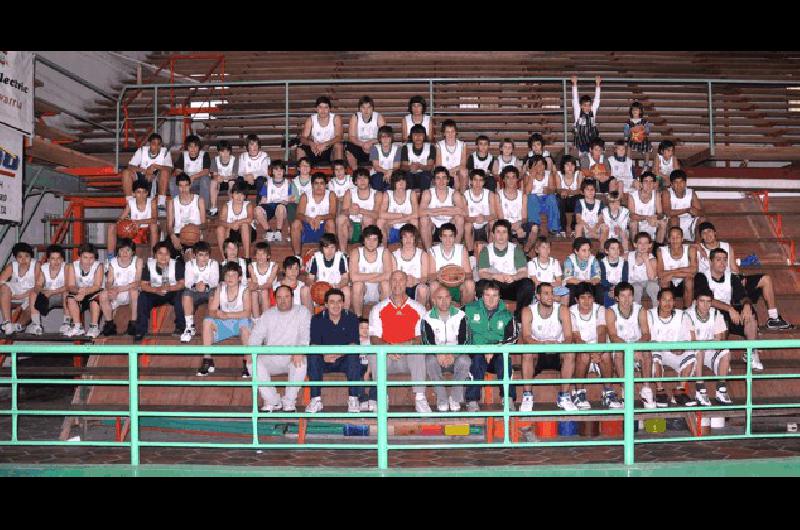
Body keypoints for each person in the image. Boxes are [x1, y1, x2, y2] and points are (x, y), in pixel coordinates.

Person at [694, 248, 793, 370]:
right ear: (710, 262)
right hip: (708, 316)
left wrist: (746, 305)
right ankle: (721, 358)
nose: (722, 263)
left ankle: (752, 353)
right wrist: (730, 309)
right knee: (721, 322)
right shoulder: (701, 276)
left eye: (725, 260)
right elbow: (708, 300)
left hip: (729, 314)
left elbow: (744, 296)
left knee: (750, 314)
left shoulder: (732, 277)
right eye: (718, 260)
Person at [367, 270, 431, 413]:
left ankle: (420, 398)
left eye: (401, 280)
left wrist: (402, 347)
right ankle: (382, 397)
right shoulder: (378, 309)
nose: (397, 283)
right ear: (389, 283)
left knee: (418, 351)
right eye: (394, 280)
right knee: (373, 354)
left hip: (408, 359)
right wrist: (388, 349)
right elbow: (374, 338)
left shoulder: (418, 308)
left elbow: (420, 338)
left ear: (407, 282)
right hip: (387, 358)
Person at [248, 284, 311, 412]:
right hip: (272, 357)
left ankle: (289, 401)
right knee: (251, 362)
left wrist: (300, 351)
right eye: (279, 297)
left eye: (286, 297)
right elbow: (256, 335)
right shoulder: (268, 314)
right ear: (275, 299)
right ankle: (273, 401)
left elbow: (306, 335)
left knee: (302, 362)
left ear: (292, 297)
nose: (283, 300)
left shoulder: (303, 312)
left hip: (293, 357)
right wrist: (251, 351)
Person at [519, 282, 575, 411]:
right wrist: (543, 344)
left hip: (557, 350)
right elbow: (527, 337)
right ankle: (527, 396)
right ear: (538, 296)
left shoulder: (562, 309)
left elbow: (568, 337)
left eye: (552, 293)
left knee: (570, 353)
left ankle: (565, 396)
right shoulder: (528, 310)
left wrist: (559, 346)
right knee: (527, 353)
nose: (550, 297)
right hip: (538, 352)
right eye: (546, 293)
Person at [464, 280, 518, 412]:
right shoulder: (469, 310)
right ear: (482, 296)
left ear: (499, 297)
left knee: (504, 360)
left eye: (494, 295)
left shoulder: (507, 315)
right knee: (477, 359)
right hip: (476, 352)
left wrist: (493, 349)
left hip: (497, 354)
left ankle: (508, 398)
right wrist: (483, 349)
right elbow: (463, 334)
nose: (491, 299)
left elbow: (513, 338)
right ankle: (472, 400)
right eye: (487, 295)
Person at [307, 288, 363, 413]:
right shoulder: (317, 319)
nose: (336, 305)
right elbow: (314, 344)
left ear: (343, 303)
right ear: (326, 304)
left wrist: (338, 354)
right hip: (323, 359)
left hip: (344, 359)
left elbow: (354, 344)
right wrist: (324, 354)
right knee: (313, 356)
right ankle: (316, 400)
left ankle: (354, 399)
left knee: (353, 356)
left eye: (339, 302)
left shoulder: (352, 318)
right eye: (332, 302)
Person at [570, 282, 620, 410]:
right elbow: (576, 337)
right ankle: (579, 393)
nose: (587, 301)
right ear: (576, 299)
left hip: (598, 347)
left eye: (590, 297)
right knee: (584, 355)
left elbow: (602, 332)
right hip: (581, 349)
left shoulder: (600, 309)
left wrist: (598, 351)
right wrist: (591, 353)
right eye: (583, 298)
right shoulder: (571, 311)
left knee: (606, 354)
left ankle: (608, 393)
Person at [198, 262, 252, 377]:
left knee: (245, 327)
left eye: (233, 275)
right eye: (227, 275)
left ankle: (248, 363)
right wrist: (218, 314)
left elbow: (247, 312)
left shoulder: (245, 290)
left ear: (240, 278)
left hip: (240, 322)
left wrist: (227, 315)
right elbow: (212, 311)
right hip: (225, 323)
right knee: (207, 321)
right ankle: (207, 360)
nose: (230, 278)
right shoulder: (221, 288)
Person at [422, 286, 472, 412]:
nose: (444, 301)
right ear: (433, 300)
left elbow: (465, 340)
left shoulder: (461, 315)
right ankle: (442, 399)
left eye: (446, 297)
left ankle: (455, 398)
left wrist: (453, 355)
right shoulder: (426, 318)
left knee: (465, 360)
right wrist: (438, 353)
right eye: (439, 298)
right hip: (437, 357)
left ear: (451, 299)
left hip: (455, 357)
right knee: (429, 360)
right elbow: (427, 341)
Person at [606, 281, 655, 408]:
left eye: (629, 295)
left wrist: (635, 348)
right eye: (623, 296)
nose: (626, 299)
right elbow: (613, 336)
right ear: (616, 298)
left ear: (633, 296)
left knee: (646, 353)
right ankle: (625, 391)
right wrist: (629, 349)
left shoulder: (640, 310)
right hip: (620, 348)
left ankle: (646, 390)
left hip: (636, 347)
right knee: (619, 354)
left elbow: (646, 334)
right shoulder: (611, 311)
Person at [476, 219, 535, 319]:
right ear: (493, 234)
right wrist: (495, 276)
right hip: (495, 285)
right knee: (480, 285)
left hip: (513, 285)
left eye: (504, 232)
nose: (501, 235)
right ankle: (488, 317)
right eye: (498, 232)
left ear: (508, 235)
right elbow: (482, 273)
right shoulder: (486, 250)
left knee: (528, 284)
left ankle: (519, 317)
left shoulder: (516, 249)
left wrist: (514, 277)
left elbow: (523, 272)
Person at [648, 288, 695, 407]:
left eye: (670, 300)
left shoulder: (682, 315)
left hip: (675, 352)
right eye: (664, 300)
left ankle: (679, 392)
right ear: (658, 301)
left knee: (691, 355)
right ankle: (659, 391)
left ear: (674, 302)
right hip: (658, 351)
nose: (667, 303)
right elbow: (647, 337)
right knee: (654, 352)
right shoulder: (649, 314)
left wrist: (682, 347)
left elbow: (690, 338)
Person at [686, 289, 731, 406]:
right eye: (702, 301)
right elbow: (692, 341)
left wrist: (713, 342)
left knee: (726, 352)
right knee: (699, 348)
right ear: (696, 302)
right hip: (691, 352)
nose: (705, 305)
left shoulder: (716, 314)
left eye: (708, 301)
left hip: (710, 350)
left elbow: (719, 341)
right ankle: (700, 389)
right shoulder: (688, 315)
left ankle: (721, 389)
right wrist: (711, 342)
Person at [134, 241, 186, 342]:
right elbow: (143, 285)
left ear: (170, 254)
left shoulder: (176, 264)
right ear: (155, 255)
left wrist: (169, 288)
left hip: (172, 291)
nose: (163, 256)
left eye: (166, 253)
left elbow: (182, 284)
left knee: (181, 295)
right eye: (160, 253)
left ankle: (181, 326)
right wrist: (156, 290)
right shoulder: (149, 265)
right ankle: (140, 330)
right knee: (143, 297)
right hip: (155, 292)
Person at [97, 238, 142, 337]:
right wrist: (111, 289)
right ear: (118, 251)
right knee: (103, 295)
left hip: (131, 292)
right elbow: (109, 281)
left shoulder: (138, 261)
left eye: (128, 250)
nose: (124, 253)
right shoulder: (113, 262)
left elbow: (137, 282)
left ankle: (133, 323)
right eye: (121, 250)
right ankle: (109, 324)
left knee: (134, 291)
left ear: (133, 252)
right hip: (117, 292)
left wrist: (120, 289)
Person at [122, 133, 172, 216]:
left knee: (165, 172)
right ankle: (129, 204)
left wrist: (154, 166)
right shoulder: (142, 150)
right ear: (149, 144)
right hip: (141, 175)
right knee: (126, 172)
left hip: (155, 178)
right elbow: (130, 166)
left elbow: (170, 168)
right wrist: (145, 171)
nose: (156, 146)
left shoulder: (165, 152)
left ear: (161, 145)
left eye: (159, 144)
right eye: (153, 144)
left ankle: (161, 205)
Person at [106, 180, 158, 260]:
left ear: (147, 193)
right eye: (138, 192)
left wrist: (139, 222)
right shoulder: (130, 202)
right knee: (111, 226)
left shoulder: (152, 202)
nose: (141, 195)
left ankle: (154, 258)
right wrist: (122, 223)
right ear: (134, 194)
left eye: (144, 192)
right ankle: (110, 258)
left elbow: (154, 219)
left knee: (154, 226)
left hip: (147, 231)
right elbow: (121, 218)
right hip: (133, 231)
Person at [427, 222, 476, 305]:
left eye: (451, 236)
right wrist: (442, 274)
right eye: (445, 236)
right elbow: (431, 276)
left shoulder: (461, 249)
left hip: (459, 285)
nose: (448, 240)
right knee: (433, 285)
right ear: (440, 237)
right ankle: (436, 314)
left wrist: (456, 274)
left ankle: (466, 314)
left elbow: (469, 274)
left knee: (470, 284)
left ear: (455, 236)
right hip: (441, 285)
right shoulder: (433, 251)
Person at [180, 241, 219, 343]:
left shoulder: (213, 263)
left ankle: (212, 327)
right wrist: (196, 286)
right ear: (195, 255)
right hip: (195, 290)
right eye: (201, 255)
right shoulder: (189, 264)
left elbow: (214, 282)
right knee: (186, 294)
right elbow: (188, 283)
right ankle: (189, 327)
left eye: (206, 255)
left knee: (214, 294)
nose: (204, 258)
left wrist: (205, 286)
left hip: (209, 290)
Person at [26, 244, 70, 335]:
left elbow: (68, 286)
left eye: (58, 258)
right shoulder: (44, 268)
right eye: (53, 258)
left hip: (62, 295)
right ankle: (36, 325)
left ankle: (66, 323)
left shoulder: (67, 267)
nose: (56, 261)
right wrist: (42, 291)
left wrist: (51, 292)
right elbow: (37, 285)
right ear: (48, 260)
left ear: (62, 259)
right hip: (48, 296)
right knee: (33, 293)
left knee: (67, 293)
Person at [349, 225, 392, 318]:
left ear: (379, 241)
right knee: (357, 285)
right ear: (363, 239)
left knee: (386, 284)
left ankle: (385, 317)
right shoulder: (356, 252)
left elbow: (388, 275)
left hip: (379, 290)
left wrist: (364, 277)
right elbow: (353, 277)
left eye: (374, 239)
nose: (371, 243)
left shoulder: (384, 252)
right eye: (368, 239)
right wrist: (375, 275)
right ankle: (358, 318)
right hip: (362, 291)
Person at [290, 172, 337, 257]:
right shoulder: (305, 196)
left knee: (330, 222)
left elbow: (333, 214)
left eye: (322, 183)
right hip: (307, 227)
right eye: (316, 183)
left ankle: (331, 256)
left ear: (325, 185)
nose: (319, 186)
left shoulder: (331, 195)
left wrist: (320, 217)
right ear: (312, 185)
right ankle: (297, 257)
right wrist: (308, 219)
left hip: (323, 228)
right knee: (296, 223)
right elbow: (298, 214)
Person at [419, 166, 466, 249]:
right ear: (434, 181)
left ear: (448, 180)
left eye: (444, 178)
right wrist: (446, 209)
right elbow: (420, 212)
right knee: (423, 219)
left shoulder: (454, 193)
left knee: (460, 219)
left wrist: (439, 211)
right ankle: (429, 253)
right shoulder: (428, 193)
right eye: (438, 178)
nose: (441, 181)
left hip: (450, 226)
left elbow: (462, 212)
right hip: (432, 226)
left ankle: (456, 250)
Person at [63, 243, 105, 338]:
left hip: (93, 292)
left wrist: (84, 292)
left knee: (95, 300)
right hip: (79, 291)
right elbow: (71, 285)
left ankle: (94, 327)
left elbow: (97, 286)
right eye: (85, 257)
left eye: (91, 258)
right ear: (80, 257)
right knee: (70, 298)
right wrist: (78, 292)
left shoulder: (99, 266)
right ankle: (77, 327)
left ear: (95, 258)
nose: (88, 261)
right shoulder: (72, 266)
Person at [340, 168, 381, 253]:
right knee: (341, 219)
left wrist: (360, 210)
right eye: (359, 178)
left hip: (369, 228)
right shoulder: (349, 192)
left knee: (367, 218)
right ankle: (343, 253)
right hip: (352, 227)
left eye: (365, 178)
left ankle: (368, 250)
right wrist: (349, 210)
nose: (362, 181)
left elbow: (377, 215)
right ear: (355, 182)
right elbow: (343, 212)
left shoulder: (377, 194)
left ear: (369, 180)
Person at [254, 160, 296, 243]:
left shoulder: (289, 183)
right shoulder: (267, 183)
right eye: (276, 169)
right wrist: (262, 202)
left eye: (281, 169)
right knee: (257, 210)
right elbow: (263, 198)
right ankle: (268, 231)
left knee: (280, 207)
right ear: (272, 171)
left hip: (282, 209)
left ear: (284, 171)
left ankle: (278, 232)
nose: (279, 172)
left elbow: (292, 198)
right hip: (269, 206)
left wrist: (287, 201)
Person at [306, 233, 350, 310]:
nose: (330, 251)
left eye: (332, 247)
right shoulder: (316, 257)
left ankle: (344, 316)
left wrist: (337, 285)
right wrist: (313, 285)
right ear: (322, 248)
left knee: (346, 290)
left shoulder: (341, 257)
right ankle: (310, 318)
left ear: (336, 247)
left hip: (336, 288)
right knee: (304, 290)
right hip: (320, 290)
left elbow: (345, 278)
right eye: (326, 247)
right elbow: (310, 278)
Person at [0, 243, 37, 335]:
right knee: (4, 287)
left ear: (31, 257)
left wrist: (22, 295)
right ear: (16, 258)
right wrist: (8, 295)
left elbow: (39, 285)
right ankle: (7, 322)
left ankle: (18, 326)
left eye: (27, 256)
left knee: (34, 302)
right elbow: (1, 281)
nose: (23, 260)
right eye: (20, 257)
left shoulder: (36, 265)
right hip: (15, 292)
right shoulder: (12, 266)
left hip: (31, 293)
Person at [657, 226, 697, 307]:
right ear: (668, 239)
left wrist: (671, 273)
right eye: (672, 237)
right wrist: (682, 271)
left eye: (678, 237)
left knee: (689, 280)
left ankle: (687, 310)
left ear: (682, 239)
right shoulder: (661, 250)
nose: (675, 240)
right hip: (669, 282)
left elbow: (693, 270)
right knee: (664, 280)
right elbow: (660, 273)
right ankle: (668, 309)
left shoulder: (690, 249)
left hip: (683, 282)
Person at [166, 173, 206, 254]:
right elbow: (169, 226)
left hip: (195, 233)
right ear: (177, 187)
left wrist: (192, 227)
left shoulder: (199, 200)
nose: (183, 188)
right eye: (181, 186)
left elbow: (204, 224)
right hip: (178, 234)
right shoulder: (172, 202)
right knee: (168, 249)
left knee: (197, 251)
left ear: (190, 185)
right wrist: (173, 237)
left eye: (186, 185)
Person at [391, 223, 430, 307]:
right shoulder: (394, 255)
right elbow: (393, 277)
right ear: (401, 239)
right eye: (405, 236)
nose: (408, 240)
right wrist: (403, 282)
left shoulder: (422, 254)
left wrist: (416, 280)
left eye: (411, 236)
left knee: (423, 289)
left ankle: (420, 317)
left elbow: (425, 277)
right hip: (400, 286)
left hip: (417, 286)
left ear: (415, 238)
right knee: (396, 288)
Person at [170, 134, 211, 213]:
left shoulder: (204, 155)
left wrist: (193, 177)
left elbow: (206, 171)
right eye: (190, 146)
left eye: (195, 146)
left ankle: (204, 208)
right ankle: (176, 206)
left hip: (199, 180)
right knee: (173, 180)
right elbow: (178, 171)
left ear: (199, 147)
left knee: (205, 179)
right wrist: (184, 178)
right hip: (186, 181)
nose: (193, 149)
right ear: (187, 147)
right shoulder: (183, 155)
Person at [463, 169, 499, 257]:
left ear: (484, 182)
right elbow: (465, 217)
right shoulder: (465, 195)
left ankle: (491, 253)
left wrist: (484, 218)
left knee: (493, 222)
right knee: (467, 225)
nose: (478, 183)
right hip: (472, 225)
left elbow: (495, 215)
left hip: (485, 226)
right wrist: (475, 219)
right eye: (475, 180)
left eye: (480, 180)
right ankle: (471, 255)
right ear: (471, 181)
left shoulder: (489, 194)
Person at [298, 96, 343, 166]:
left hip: (329, 146)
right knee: (300, 148)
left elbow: (339, 137)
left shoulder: (335, 118)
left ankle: (338, 172)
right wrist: (311, 144)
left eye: (326, 107)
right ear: (316, 109)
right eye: (320, 107)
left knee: (338, 146)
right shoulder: (310, 120)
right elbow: (303, 138)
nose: (323, 110)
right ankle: (302, 175)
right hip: (314, 147)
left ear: (329, 109)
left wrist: (325, 144)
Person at [524, 155, 561, 238]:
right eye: (536, 165)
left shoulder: (548, 174)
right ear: (531, 167)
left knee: (552, 197)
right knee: (532, 197)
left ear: (545, 166)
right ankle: (534, 225)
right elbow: (527, 192)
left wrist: (549, 190)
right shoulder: (528, 175)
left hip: (546, 201)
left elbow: (553, 189)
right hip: (534, 202)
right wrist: (531, 178)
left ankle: (554, 227)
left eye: (541, 164)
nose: (539, 167)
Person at [497, 166, 533, 250]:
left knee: (534, 228)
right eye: (508, 177)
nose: (511, 180)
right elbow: (500, 218)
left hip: (519, 224)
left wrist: (519, 225)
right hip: (504, 225)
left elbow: (524, 217)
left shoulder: (522, 195)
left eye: (513, 177)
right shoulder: (498, 195)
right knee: (501, 228)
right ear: (503, 180)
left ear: (517, 179)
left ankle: (525, 251)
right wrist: (513, 227)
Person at [345, 95, 385, 170]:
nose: (366, 110)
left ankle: (377, 169)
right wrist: (363, 144)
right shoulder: (355, 117)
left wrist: (371, 142)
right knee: (349, 148)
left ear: (372, 108)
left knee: (381, 146)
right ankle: (355, 171)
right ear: (360, 108)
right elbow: (351, 137)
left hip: (374, 145)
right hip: (359, 145)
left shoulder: (378, 117)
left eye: (369, 107)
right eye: (363, 107)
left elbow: (384, 135)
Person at [663, 169, 704, 242]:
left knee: (702, 220)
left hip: (688, 222)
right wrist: (687, 210)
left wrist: (696, 212)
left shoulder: (691, 192)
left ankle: (697, 246)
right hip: (672, 223)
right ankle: (674, 244)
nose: (679, 185)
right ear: (671, 185)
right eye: (676, 182)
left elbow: (701, 212)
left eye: (681, 182)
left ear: (685, 183)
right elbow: (667, 212)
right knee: (674, 219)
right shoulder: (667, 193)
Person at [377, 170, 417, 245]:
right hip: (391, 230)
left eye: (403, 180)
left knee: (414, 221)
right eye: (398, 181)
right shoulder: (387, 194)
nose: (401, 184)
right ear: (394, 183)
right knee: (380, 221)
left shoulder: (411, 193)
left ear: (406, 182)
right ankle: (383, 250)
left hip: (407, 230)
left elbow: (416, 214)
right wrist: (401, 215)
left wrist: (393, 221)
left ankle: (413, 248)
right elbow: (381, 214)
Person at [216, 183, 254, 259]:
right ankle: (225, 258)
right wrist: (230, 226)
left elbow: (250, 219)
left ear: (245, 196)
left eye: (242, 194)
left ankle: (246, 258)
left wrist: (237, 223)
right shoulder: (226, 206)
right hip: (231, 234)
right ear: (232, 194)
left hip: (248, 233)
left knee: (245, 225)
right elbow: (220, 222)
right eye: (237, 193)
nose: (239, 197)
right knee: (220, 229)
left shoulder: (248, 205)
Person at [628, 170, 667, 244]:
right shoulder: (632, 195)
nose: (649, 184)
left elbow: (660, 214)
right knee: (633, 223)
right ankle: (635, 246)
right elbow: (632, 215)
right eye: (646, 181)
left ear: (654, 183)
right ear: (641, 183)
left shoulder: (656, 194)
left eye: (651, 181)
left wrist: (656, 218)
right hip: (639, 222)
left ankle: (657, 247)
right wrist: (647, 217)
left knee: (663, 222)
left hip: (652, 222)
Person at [527, 236, 569, 304]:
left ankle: (562, 311)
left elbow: (559, 282)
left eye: (548, 247)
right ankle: (551, 298)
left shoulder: (555, 262)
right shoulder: (532, 263)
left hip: (553, 289)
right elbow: (536, 282)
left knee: (565, 291)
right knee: (539, 292)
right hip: (539, 289)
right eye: (543, 247)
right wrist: (549, 286)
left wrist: (551, 287)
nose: (546, 250)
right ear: (537, 250)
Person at [563, 237, 602, 305]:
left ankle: (597, 310)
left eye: (589, 250)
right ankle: (573, 310)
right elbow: (568, 278)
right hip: (576, 285)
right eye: (584, 250)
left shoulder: (593, 260)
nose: (587, 253)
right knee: (570, 289)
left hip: (589, 284)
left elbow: (597, 277)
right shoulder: (569, 260)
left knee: (599, 289)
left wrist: (590, 281)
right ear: (576, 251)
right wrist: (584, 282)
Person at [572, 75, 602, 156]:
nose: (587, 107)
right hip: (582, 142)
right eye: (585, 105)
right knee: (584, 160)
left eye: (589, 105)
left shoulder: (592, 111)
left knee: (593, 158)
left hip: (592, 140)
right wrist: (574, 84)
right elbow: (575, 99)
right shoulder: (578, 112)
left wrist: (598, 85)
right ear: (581, 106)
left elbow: (597, 100)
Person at [627, 232, 660, 306]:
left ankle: (656, 308)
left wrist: (646, 260)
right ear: (635, 244)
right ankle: (636, 310)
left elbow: (651, 278)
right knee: (636, 287)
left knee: (653, 286)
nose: (643, 246)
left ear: (650, 245)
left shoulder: (652, 259)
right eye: (640, 243)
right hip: (633, 284)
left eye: (646, 243)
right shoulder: (628, 256)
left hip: (648, 284)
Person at [435, 119, 468, 192]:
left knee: (463, 172)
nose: (450, 134)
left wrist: (454, 172)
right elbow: (438, 165)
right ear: (444, 133)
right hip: (444, 173)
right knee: (441, 174)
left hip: (457, 173)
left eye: (452, 131)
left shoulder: (462, 145)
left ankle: (462, 196)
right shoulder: (439, 145)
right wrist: (448, 172)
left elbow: (463, 165)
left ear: (456, 132)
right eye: (447, 132)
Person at [400, 124, 436, 190]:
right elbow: (403, 166)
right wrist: (410, 167)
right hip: (410, 173)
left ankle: (424, 195)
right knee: (407, 175)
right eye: (415, 134)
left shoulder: (430, 147)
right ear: (411, 136)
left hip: (424, 174)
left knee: (426, 175)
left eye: (420, 134)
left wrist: (420, 167)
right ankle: (410, 195)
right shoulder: (405, 148)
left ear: (424, 136)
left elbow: (430, 167)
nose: (418, 137)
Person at [555, 155, 583, 238]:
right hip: (564, 201)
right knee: (559, 198)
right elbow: (558, 189)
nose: (570, 167)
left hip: (574, 200)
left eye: (572, 165)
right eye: (567, 165)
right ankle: (562, 229)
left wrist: (570, 192)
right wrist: (563, 192)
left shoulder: (579, 174)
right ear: (563, 166)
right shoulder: (558, 174)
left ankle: (574, 228)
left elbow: (579, 190)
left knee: (579, 198)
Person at [208, 140, 239, 217]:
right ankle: (213, 208)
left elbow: (234, 175)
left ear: (230, 152)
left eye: (227, 151)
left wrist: (224, 177)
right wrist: (217, 178)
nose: (225, 154)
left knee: (231, 183)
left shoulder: (234, 160)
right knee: (213, 182)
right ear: (218, 152)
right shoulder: (214, 160)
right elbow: (215, 175)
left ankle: (232, 206)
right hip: (220, 182)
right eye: (222, 152)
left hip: (230, 181)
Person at [248, 241, 279, 317]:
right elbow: (254, 283)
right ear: (255, 256)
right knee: (254, 293)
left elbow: (269, 284)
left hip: (271, 294)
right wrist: (254, 286)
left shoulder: (274, 266)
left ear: (268, 256)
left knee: (264, 291)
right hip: (257, 295)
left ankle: (266, 319)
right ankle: (256, 319)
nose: (260, 256)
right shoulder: (251, 266)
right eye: (258, 254)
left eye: (263, 254)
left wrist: (257, 287)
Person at [598, 238, 629, 308]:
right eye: (613, 249)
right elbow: (602, 280)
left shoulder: (624, 262)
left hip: (620, 287)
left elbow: (625, 279)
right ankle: (609, 313)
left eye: (618, 248)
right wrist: (611, 288)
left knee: (624, 293)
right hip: (606, 288)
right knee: (606, 294)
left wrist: (617, 289)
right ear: (606, 251)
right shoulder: (601, 263)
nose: (616, 251)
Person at [369, 125, 401, 192]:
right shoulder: (374, 148)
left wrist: (390, 172)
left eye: (388, 136)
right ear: (379, 138)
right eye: (383, 137)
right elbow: (376, 166)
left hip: (393, 172)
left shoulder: (397, 149)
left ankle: (387, 193)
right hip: (379, 172)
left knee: (394, 180)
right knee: (377, 180)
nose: (385, 139)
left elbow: (397, 166)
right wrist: (386, 172)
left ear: (391, 138)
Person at [624, 101, 653, 168]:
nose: (635, 111)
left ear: (640, 111)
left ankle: (646, 164)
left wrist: (643, 129)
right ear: (631, 111)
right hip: (632, 139)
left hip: (642, 139)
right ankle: (628, 162)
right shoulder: (628, 121)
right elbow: (625, 133)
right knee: (629, 146)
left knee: (647, 146)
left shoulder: (644, 121)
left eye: (637, 109)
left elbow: (648, 131)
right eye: (633, 109)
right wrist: (630, 130)